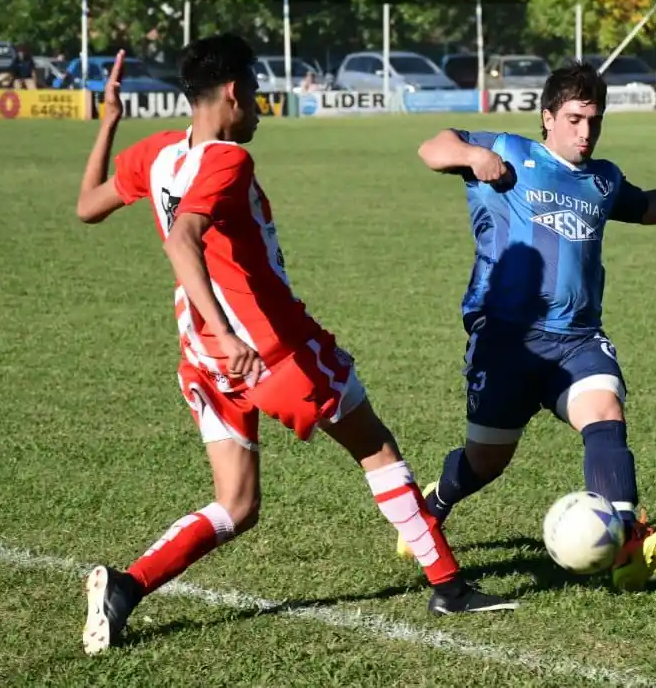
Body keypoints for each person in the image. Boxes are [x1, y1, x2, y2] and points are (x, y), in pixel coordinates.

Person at [74, 34, 514, 655]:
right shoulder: (227, 160)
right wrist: (229, 332)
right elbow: (182, 240)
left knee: (237, 504)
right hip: (271, 349)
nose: (259, 106)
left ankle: (125, 587)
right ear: (232, 93)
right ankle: (448, 586)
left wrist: (109, 124)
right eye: (255, 92)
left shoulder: (157, 153)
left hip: (204, 358)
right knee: (376, 449)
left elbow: (87, 206)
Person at [411, 62, 656, 591]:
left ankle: (625, 543)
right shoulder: (509, 151)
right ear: (548, 117)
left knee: (604, 413)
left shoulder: (603, 179)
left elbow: (647, 205)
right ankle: (434, 506)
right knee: (485, 462)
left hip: (577, 336)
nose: (585, 132)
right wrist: (472, 155)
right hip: (506, 338)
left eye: (594, 121)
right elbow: (432, 148)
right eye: (574, 119)